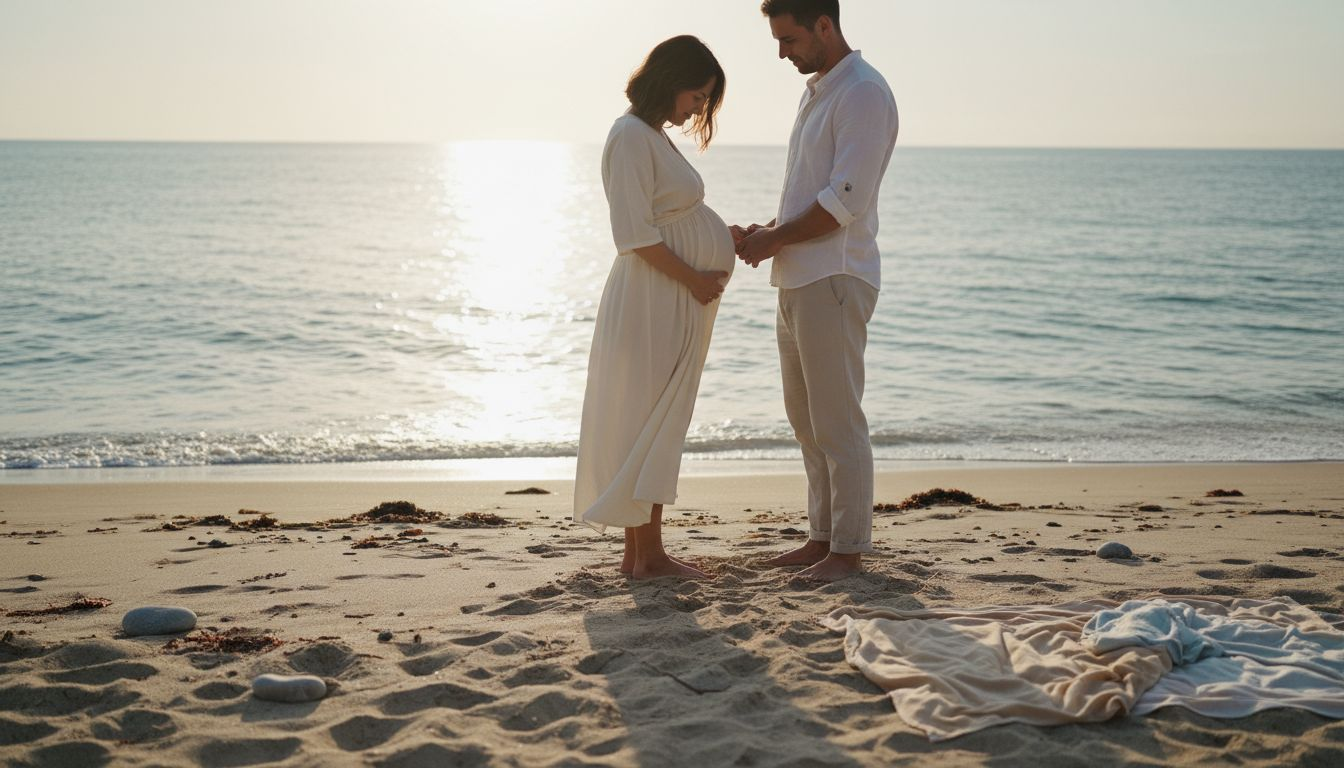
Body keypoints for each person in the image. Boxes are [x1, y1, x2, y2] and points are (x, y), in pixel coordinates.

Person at [733, 0, 899, 581]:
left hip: (835, 276)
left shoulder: (863, 92)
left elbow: (844, 200)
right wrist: (770, 232)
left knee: (837, 420)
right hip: (798, 276)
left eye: (789, 38)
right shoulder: (819, 91)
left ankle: (848, 552)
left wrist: (774, 238)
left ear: (824, 25)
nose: (783, 52)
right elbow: (810, 193)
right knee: (805, 421)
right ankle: (822, 538)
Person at [573, 36, 734, 580]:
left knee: (660, 418)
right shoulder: (629, 136)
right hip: (653, 295)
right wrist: (694, 277)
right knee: (649, 419)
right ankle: (649, 558)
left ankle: (639, 556)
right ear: (670, 81)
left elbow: (670, 218)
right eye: (696, 95)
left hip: (670, 294)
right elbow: (635, 236)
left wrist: (722, 239)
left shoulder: (652, 136)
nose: (696, 109)